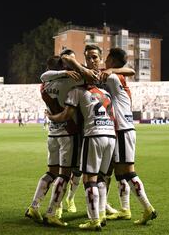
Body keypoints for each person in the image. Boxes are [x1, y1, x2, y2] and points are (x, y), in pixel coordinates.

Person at [61, 45, 135, 217]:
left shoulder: (105, 73)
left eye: (95, 57)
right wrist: (79, 66)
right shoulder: (83, 73)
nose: (92, 60)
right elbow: (64, 58)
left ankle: (101, 206)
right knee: (79, 170)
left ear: (101, 59)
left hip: (108, 129)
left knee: (105, 172)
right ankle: (68, 200)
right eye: (88, 57)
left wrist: (111, 70)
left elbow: (130, 70)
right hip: (86, 128)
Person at [25, 51, 85, 227]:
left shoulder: (43, 85)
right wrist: (70, 68)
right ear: (63, 67)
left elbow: (44, 75)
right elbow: (88, 77)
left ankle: (34, 206)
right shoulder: (69, 81)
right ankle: (52, 212)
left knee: (51, 172)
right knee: (64, 174)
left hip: (52, 133)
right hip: (68, 133)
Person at [47, 82, 116, 231]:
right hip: (111, 135)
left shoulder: (77, 90)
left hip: (93, 135)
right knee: (102, 178)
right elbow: (113, 116)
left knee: (88, 179)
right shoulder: (106, 93)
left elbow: (66, 115)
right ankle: (102, 214)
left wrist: (51, 117)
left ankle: (94, 220)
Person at [102, 47, 157, 225]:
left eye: (106, 58)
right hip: (123, 130)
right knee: (120, 174)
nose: (104, 60)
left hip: (123, 130)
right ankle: (125, 209)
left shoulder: (112, 77)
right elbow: (129, 70)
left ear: (111, 60)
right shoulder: (118, 76)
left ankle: (148, 208)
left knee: (129, 172)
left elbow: (96, 75)